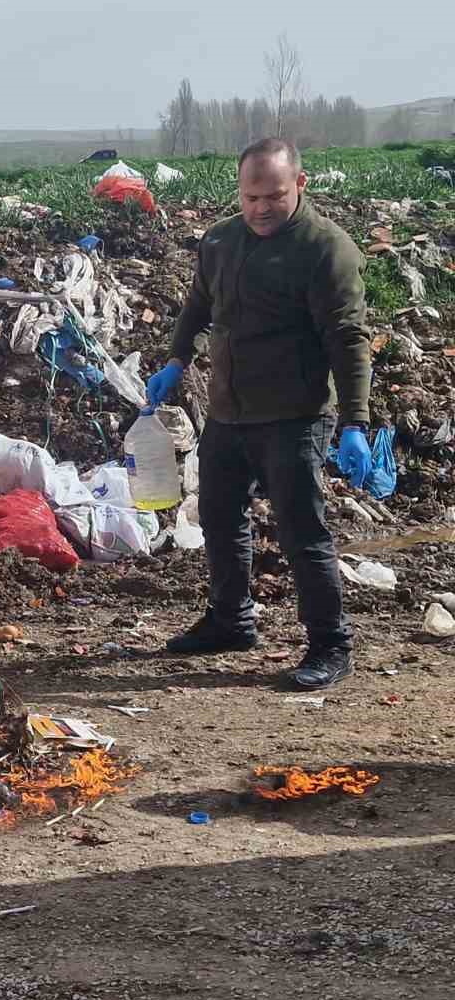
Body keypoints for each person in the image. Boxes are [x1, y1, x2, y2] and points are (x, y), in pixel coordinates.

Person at [146, 137, 372, 691]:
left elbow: (347, 338)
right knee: (219, 519)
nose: (261, 208)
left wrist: (356, 422)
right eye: (251, 196)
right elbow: (199, 304)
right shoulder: (221, 241)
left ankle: (330, 644)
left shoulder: (325, 250)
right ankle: (231, 620)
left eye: (273, 195)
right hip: (228, 412)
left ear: (301, 184)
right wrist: (177, 357)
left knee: (302, 532)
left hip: (294, 415)